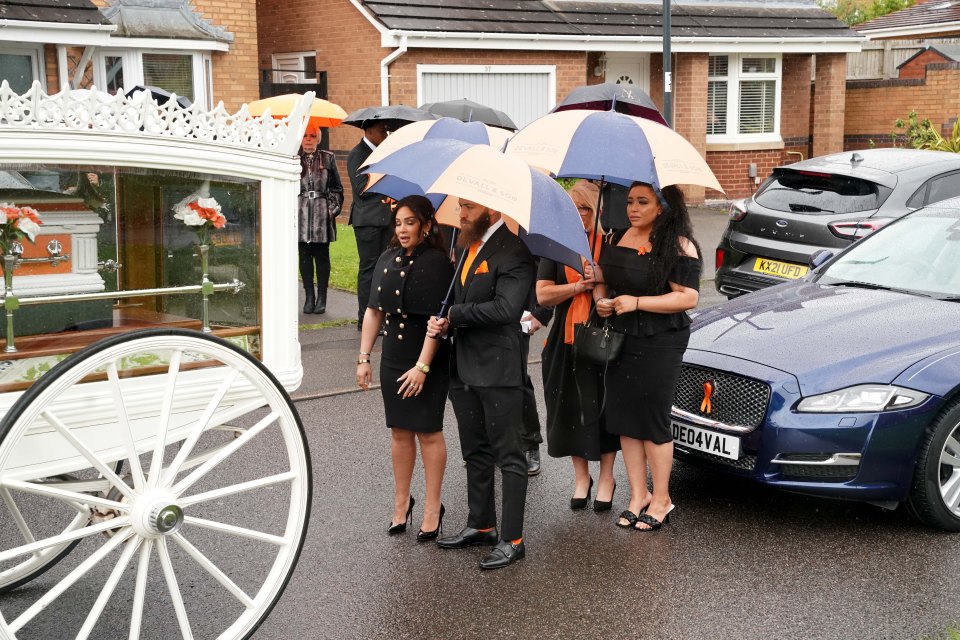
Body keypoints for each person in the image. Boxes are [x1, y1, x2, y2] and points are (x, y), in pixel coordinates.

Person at [427, 198, 535, 570]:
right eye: (461, 206)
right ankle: (482, 524)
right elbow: (461, 299)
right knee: (475, 452)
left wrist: (456, 315)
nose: (462, 214)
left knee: (509, 455)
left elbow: (507, 310)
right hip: (464, 367)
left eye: (469, 208)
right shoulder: (469, 245)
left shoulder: (516, 252)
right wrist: (446, 321)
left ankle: (513, 539)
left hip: (499, 370)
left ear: (492, 209)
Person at [591, 182, 701, 531]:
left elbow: (687, 298)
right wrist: (601, 299)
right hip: (622, 336)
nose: (632, 208)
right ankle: (638, 494)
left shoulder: (680, 245)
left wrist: (637, 303)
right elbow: (606, 280)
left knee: (652, 419)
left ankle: (662, 497)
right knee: (625, 417)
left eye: (643, 202)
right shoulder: (617, 237)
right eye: (629, 202)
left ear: (662, 207)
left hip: (661, 339)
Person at [356, 195, 454, 540]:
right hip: (394, 357)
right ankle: (402, 502)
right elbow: (373, 311)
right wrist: (364, 358)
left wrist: (423, 367)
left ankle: (432, 506)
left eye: (410, 222)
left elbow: (438, 319)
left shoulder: (439, 263)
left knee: (428, 432)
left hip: (427, 358)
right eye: (398, 222)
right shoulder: (387, 257)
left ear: (426, 225)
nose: (402, 229)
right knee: (399, 431)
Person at [536, 180, 620, 510]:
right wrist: (576, 288)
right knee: (568, 406)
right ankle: (581, 478)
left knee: (602, 406)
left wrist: (599, 282)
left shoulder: (610, 245)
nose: (580, 214)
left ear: (597, 210)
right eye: (574, 208)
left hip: (602, 335)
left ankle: (607, 477)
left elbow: (618, 289)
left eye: (586, 208)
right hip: (565, 337)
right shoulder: (558, 245)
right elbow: (543, 294)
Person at [347, 119, 394, 328]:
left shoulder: (382, 153)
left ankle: (380, 315)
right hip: (367, 221)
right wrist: (382, 175)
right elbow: (361, 188)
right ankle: (364, 317)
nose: (386, 134)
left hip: (386, 219)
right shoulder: (357, 154)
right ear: (368, 131)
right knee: (369, 269)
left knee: (384, 268)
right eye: (382, 130)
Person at [298, 124, 343, 314]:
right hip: (300, 214)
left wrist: (330, 210)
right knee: (304, 256)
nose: (308, 139)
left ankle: (322, 296)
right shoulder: (293, 158)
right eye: (305, 136)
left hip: (321, 214)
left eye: (312, 136)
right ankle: (309, 296)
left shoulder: (328, 157)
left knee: (321, 256)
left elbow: (337, 188)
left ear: (318, 138)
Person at [520, 282, 552, 476]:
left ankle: (529, 443)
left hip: (516, 313)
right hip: (473, 313)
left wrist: (542, 311)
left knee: (517, 378)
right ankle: (486, 445)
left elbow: (544, 268)